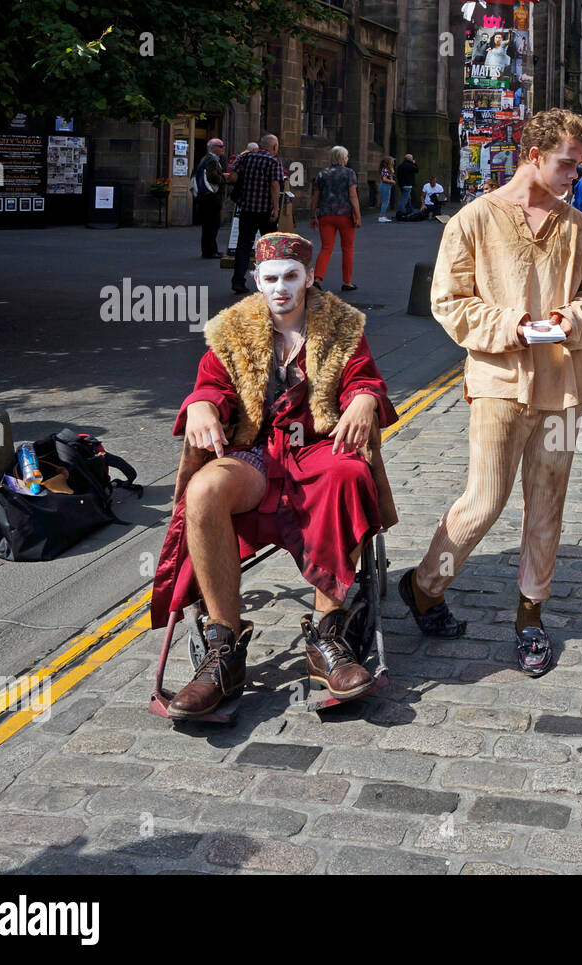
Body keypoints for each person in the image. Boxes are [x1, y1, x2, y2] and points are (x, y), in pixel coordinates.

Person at [401, 108, 582, 677]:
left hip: (565, 386)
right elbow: (449, 302)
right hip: (498, 380)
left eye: (581, 166)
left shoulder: (581, 229)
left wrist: (570, 319)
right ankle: (424, 585)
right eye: (568, 164)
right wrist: (512, 326)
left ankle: (530, 616)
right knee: (483, 503)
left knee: (547, 507)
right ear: (534, 155)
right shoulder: (472, 220)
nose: (576, 175)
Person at [150, 232, 400, 717]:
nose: (280, 288)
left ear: (309, 277)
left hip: (318, 452)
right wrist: (200, 404)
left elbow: (363, 378)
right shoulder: (232, 332)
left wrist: (366, 398)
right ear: (256, 281)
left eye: (291, 276)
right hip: (257, 456)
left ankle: (328, 639)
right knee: (204, 489)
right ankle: (223, 649)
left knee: (348, 475)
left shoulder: (342, 328)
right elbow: (211, 385)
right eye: (270, 278)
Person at [227, 134, 284, 294]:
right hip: (265, 210)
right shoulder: (273, 161)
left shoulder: (245, 157)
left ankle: (238, 281)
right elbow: (275, 185)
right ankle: (270, 281)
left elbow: (232, 177)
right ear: (274, 147)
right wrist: (275, 208)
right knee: (269, 247)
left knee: (243, 245)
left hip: (247, 209)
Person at [309, 145, 362, 292]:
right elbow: (353, 195)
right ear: (342, 158)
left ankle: (318, 279)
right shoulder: (349, 173)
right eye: (346, 157)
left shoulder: (322, 173)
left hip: (325, 215)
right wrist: (358, 215)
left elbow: (315, 197)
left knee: (326, 248)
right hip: (345, 215)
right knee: (347, 248)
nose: (347, 159)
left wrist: (313, 215)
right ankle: (347, 282)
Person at [193, 138, 225, 258]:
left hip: (205, 197)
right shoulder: (211, 160)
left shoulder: (206, 158)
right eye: (220, 146)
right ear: (213, 148)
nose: (223, 148)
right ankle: (209, 251)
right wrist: (224, 178)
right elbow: (213, 177)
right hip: (211, 197)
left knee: (209, 225)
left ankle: (211, 250)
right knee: (212, 225)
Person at [377, 156, 396, 222]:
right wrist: (392, 181)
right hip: (385, 186)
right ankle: (381, 217)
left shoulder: (388, 169)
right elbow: (384, 179)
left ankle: (383, 215)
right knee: (385, 201)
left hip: (387, 186)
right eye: (392, 161)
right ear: (389, 162)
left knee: (386, 201)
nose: (393, 162)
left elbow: (390, 175)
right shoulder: (385, 169)